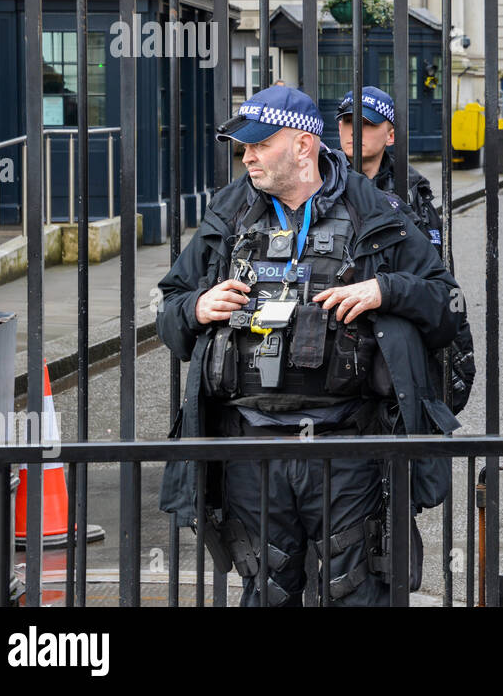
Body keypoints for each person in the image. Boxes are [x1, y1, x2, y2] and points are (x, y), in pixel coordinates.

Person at [156, 85, 465, 606]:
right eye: (243, 147)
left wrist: (385, 289)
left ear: (302, 146)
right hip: (251, 447)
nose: (247, 156)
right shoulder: (229, 214)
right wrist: (195, 307)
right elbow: (170, 307)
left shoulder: (375, 211)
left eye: (258, 144)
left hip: (349, 447)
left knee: (354, 590)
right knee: (268, 588)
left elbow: (446, 302)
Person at [336, 85, 476, 415]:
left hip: (394, 339)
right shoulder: (321, 183)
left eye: (368, 123)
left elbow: (437, 281)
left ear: (390, 135)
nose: (355, 131)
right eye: (346, 121)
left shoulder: (413, 195)